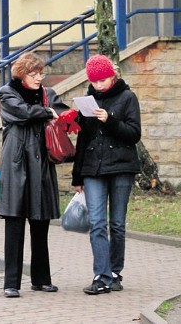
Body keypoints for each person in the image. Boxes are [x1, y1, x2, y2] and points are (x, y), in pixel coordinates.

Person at [0, 52, 70, 298]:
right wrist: (48, 112)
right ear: (22, 74)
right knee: (14, 223)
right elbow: (23, 112)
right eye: (33, 73)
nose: (39, 77)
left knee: (40, 223)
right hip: (17, 162)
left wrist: (68, 117)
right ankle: (11, 283)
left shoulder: (48, 94)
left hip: (41, 162)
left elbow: (65, 115)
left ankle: (41, 279)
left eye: (41, 73)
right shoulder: (8, 92)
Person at [71, 54, 142, 295]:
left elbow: (134, 134)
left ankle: (114, 272)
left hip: (121, 167)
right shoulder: (88, 100)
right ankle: (100, 276)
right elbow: (82, 139)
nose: (99, 85)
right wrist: (77, 177)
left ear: (112, 76)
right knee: (97, 223)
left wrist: (109, 120)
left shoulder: (127, 97)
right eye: (95, 81)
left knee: (117, 224)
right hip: (93, 168)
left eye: (103, 80)